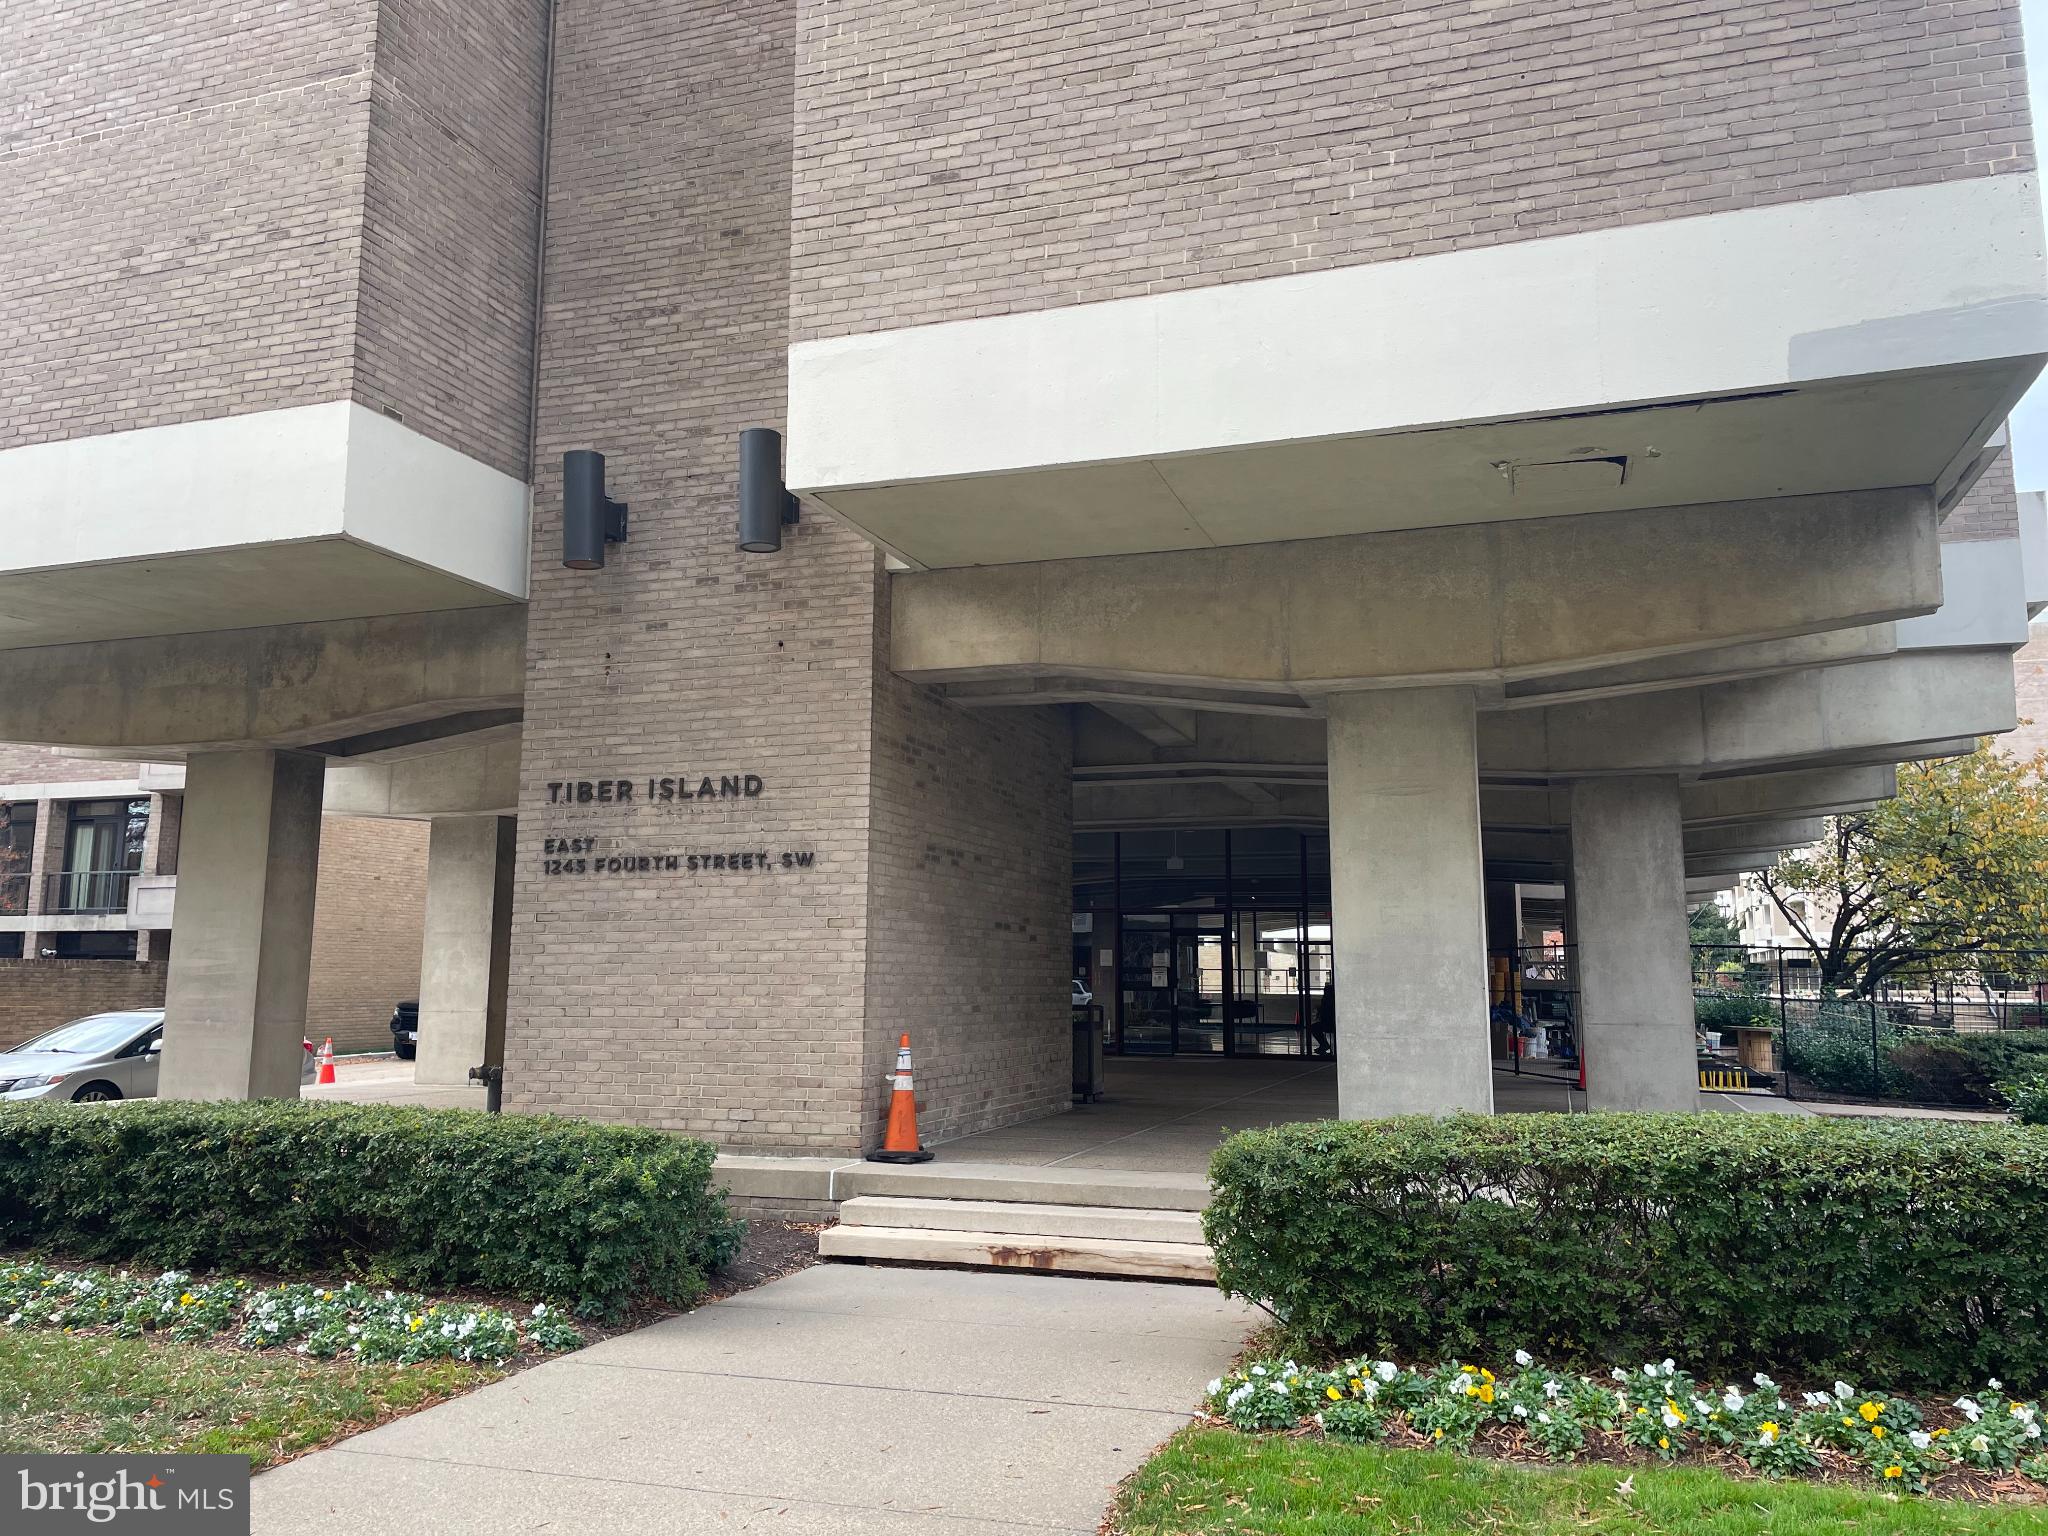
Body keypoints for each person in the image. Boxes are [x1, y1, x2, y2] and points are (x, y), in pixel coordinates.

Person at [1309, 974, 1336, 1058]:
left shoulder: (1326, 1001)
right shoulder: (1329, 1000)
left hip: (1329, 1024)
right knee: (1314, 1027)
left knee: (1314, 1028)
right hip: (1329, 1023)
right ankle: (1324, 1044)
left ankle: (1324, 1044)